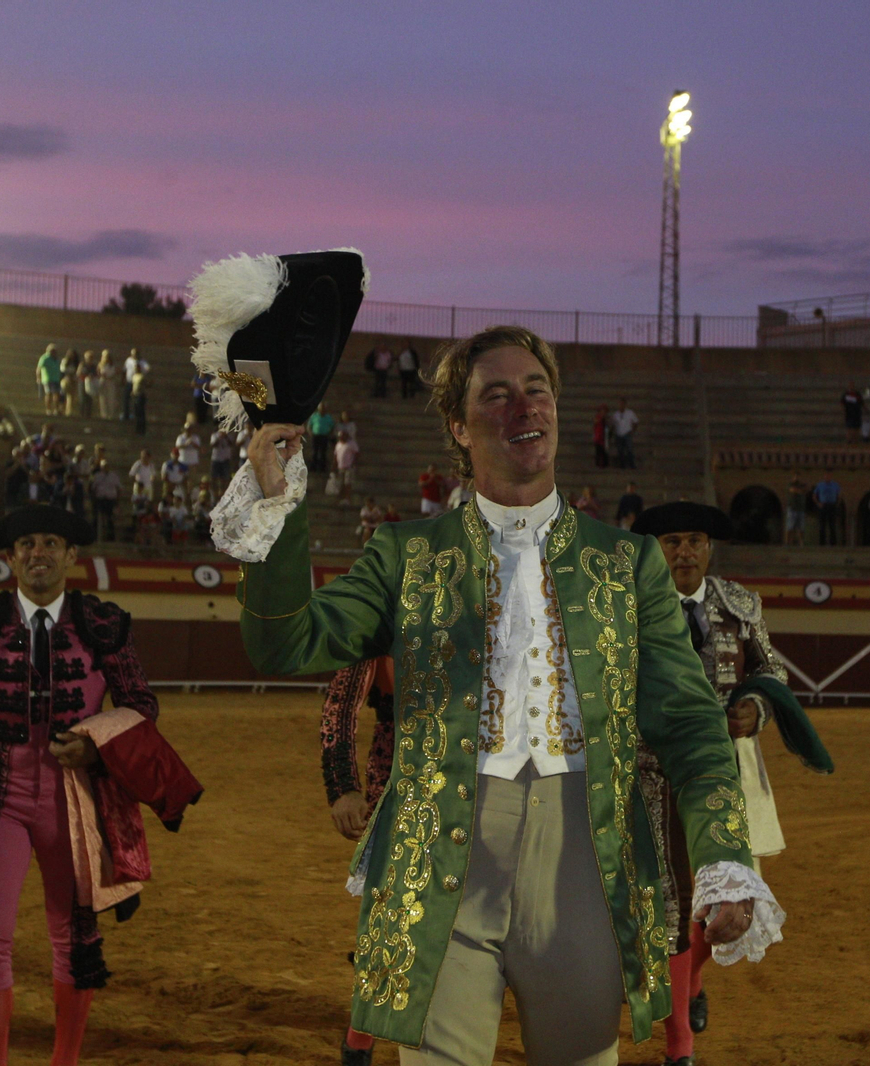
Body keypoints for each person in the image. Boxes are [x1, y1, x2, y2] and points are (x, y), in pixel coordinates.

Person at [210, 324, 780, 1065]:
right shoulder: (405, 554)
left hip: (586, 858)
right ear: (458, 425)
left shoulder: (628, 562)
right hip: (440, 856)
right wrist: (276, 506)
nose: (524, 407)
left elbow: (691, 723)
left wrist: (724, 854)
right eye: (497, 395)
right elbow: (284, 642)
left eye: (537, 390)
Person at [0, 505, 167, 1066]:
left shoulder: (102, 626)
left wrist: (96, 744)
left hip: (75, 802)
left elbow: (141, 706)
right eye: (26, 543)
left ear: (71, 556)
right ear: (9, 558)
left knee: (75, 939)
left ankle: (64, 1062)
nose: (38, 553)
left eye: (51, 542)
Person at [629, 500, 830, 1066]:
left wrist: (756, 709)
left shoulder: (739, 605)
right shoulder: (627, 605)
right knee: (668, 901)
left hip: (721, 770)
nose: (684, 552)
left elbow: (770, 671)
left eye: (695, 540)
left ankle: (691, 986)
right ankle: (680, 1048)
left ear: (710, 548)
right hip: (647, 772)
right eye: (672, 541)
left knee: (720, 895)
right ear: (655, 550)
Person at [319, 656, 397, 1066]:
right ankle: (360, 1039)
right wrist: (343, 785)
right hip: (403, 779)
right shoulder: (388, 619)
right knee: (391, 918)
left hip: (497, 781)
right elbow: (341, 705)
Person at [812, 472, 841, 546]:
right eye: (826, 476)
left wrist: (836, 504)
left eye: (829, 476)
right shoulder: (820, 485)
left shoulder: (835, 485)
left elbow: (839, 495)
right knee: (822, 525)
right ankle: (822, 543)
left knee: (832, 525)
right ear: (824, 477)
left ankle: (833, 543)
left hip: (832, 505)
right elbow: (814, 496)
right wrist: (818, 503)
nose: (827, 477)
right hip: (823, 505)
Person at [610, 397, 639, 469]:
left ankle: (632, 464)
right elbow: (613, 424)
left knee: (629, 450)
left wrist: (633, 431)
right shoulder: (616, 414)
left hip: (627, 433)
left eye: (622, 404)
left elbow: (636, 422)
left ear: (625, 404)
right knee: (620, 450)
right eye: (620, 404)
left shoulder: (630, 413)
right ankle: (622, 465)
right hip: (618, 434)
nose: (621, 405)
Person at [37, 344, 63, 416]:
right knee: (48, 394)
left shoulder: (57, 359)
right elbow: (39, 368)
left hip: (56, 379)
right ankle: (48, 409)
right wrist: (38, 377)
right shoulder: (45, 358)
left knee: (56, 394)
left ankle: (56, 409)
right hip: (47, 379)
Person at [783, 474, 808, 545]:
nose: (797, 478)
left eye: (798, 476)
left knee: (801, 527)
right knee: (790, 526)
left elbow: (805, 490)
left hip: (800, 509)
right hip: (792, 508)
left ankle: (801, 542)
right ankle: (787, 542)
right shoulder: (790, 484)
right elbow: (792, 490)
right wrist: (799, 490)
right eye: (795, 476)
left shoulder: (803, 485)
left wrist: (799, 490)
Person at [591, 404, 610, 468]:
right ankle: (598, 464)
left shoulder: (606, 419)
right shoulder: (598, 417)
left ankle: (604, 464)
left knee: (604, 452)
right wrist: (601, 418)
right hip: (598, 437)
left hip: (604, 438)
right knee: (598, 451)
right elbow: (595, 422)